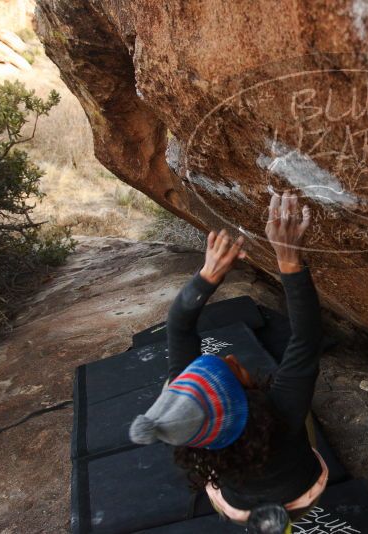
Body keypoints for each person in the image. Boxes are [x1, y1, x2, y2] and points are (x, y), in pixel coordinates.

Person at [129, 192, 327, 528]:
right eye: (231, 367)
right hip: (302, 494)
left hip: (237, 509)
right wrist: (289, 258)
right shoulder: (284, 412)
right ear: (243, 395)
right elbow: (306, 336)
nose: (232, 356)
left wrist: (207, 276)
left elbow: (177, 329)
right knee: (301, 407)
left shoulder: (192, 429)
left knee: (172, 385)